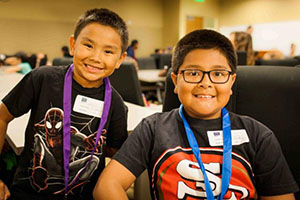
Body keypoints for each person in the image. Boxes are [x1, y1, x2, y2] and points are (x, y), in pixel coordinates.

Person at [93, 29, 299, 200]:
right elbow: (107, 186)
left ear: (232, 82)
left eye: (218, 74)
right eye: (193, 73)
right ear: (175, 81)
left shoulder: (258, 135)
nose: (205, 82)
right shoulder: (153, 128)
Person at [0, 8, 129, 200]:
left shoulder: (116, 104)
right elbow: (2, 116)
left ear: (120, 59)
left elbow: (114, 153)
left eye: (108, 51)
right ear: (72, 45)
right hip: (28, 193)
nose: (96, 57)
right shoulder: (42, 79)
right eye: (88, 45)